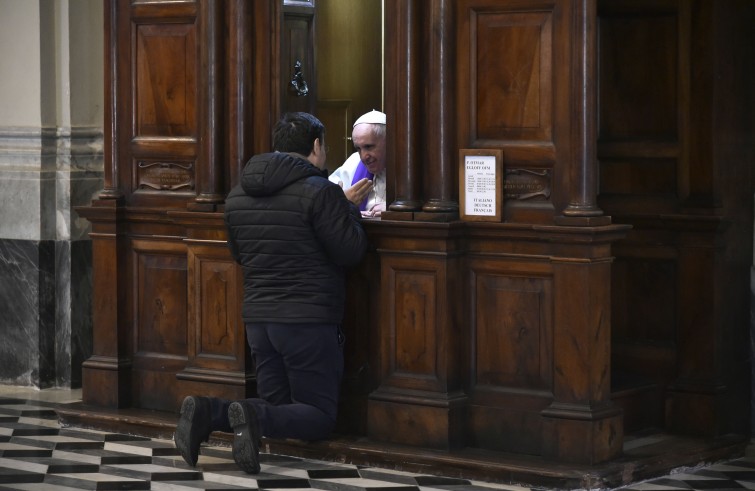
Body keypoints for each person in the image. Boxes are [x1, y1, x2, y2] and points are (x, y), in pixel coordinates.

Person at [174, 112, 369, 474]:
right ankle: (245, 414)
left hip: (259, 321)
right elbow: (350, 251)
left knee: (278, 406)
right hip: (308, 320)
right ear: (316, 146)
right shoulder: (322, 192)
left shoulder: (238, 195)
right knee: (318, 416)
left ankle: (207, 411)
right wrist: (348, 208)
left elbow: (238, 254)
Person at [329, 109, 387, 217]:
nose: (363, 157)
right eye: (358, 149)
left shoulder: (407, 166)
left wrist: (394, 209)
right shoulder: (354, 161)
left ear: (388, 141)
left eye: (369, 146)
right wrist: (344, 202)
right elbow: (327, 204)